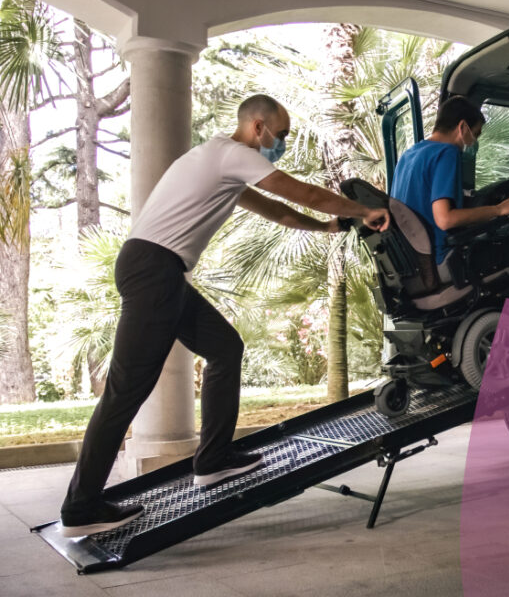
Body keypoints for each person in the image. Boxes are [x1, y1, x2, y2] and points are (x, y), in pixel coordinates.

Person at [59, 94, 389, 537]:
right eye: (282, 134)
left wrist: (328, 227)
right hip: (153, 270)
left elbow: (279, 211)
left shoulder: (221, 162)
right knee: (126, 390)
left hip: (161, 271)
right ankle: (81, 509)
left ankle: (212, 462)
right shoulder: (233, 155)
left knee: (224, 347)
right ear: (258, 127)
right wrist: (365, 210)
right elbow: (301, 192)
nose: (282, 143)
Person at [390, 96, 509, 300]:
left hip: (414, 264)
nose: (474, 142)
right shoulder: (447, 152)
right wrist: (499, 210)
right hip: (441, 260)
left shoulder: (408, 155)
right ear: (462, 127)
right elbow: (445, 219)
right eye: (476, 134)